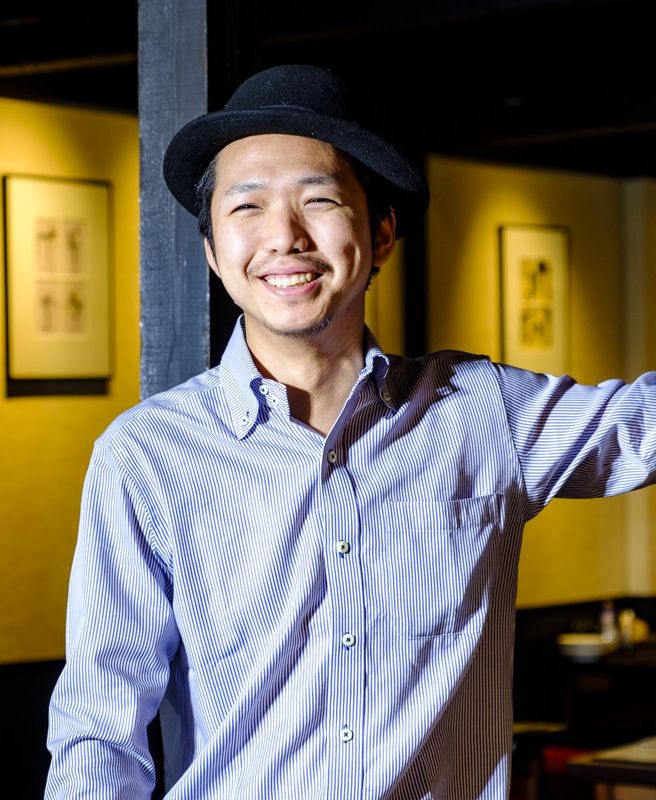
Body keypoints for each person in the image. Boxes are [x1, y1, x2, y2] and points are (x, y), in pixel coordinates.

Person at [45, 64, 656, 799]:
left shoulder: (482, 411)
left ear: (382, 234)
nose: (284, 236)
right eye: (247, 206)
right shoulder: (146, 456)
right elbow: (100, 725)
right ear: (212, 251)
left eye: (320, 200)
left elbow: (643, 426)